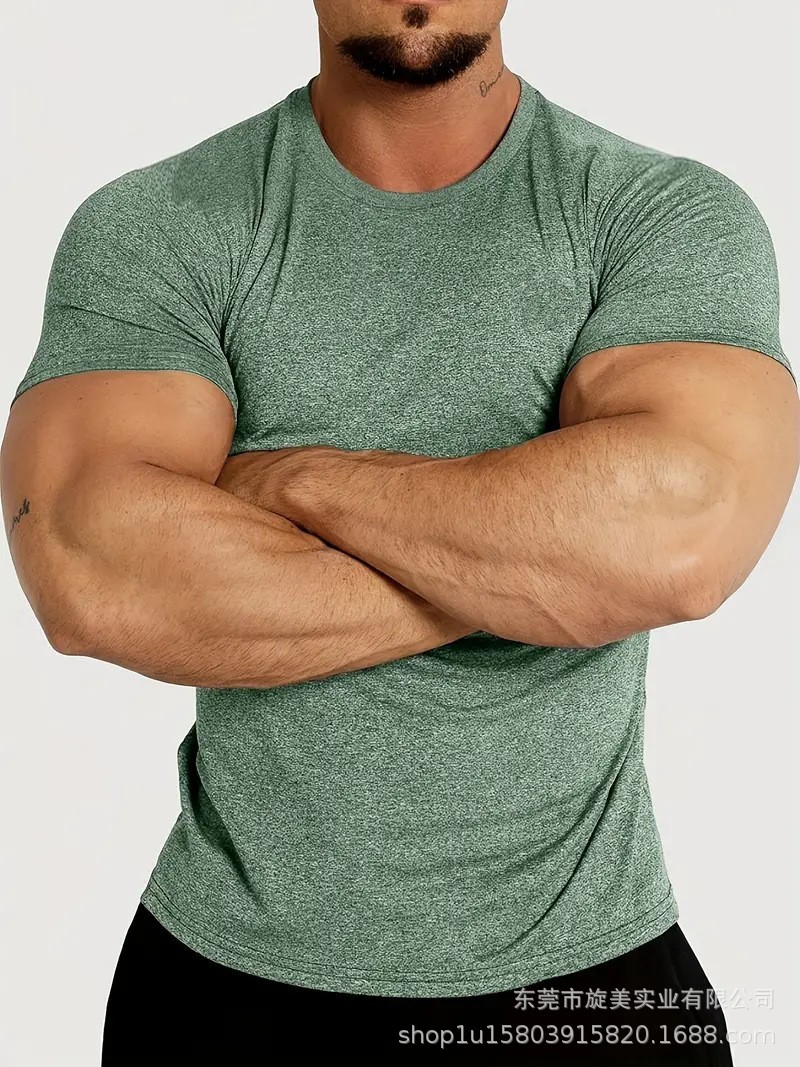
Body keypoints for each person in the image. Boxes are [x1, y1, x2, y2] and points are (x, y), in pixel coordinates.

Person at [3, 1, 797, 1063]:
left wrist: (293, 479)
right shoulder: (162, 224)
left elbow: (676, 538)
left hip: (591, 984)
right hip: (224, 990)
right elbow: (87, 566)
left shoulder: (657, 213)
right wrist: (546, 568)